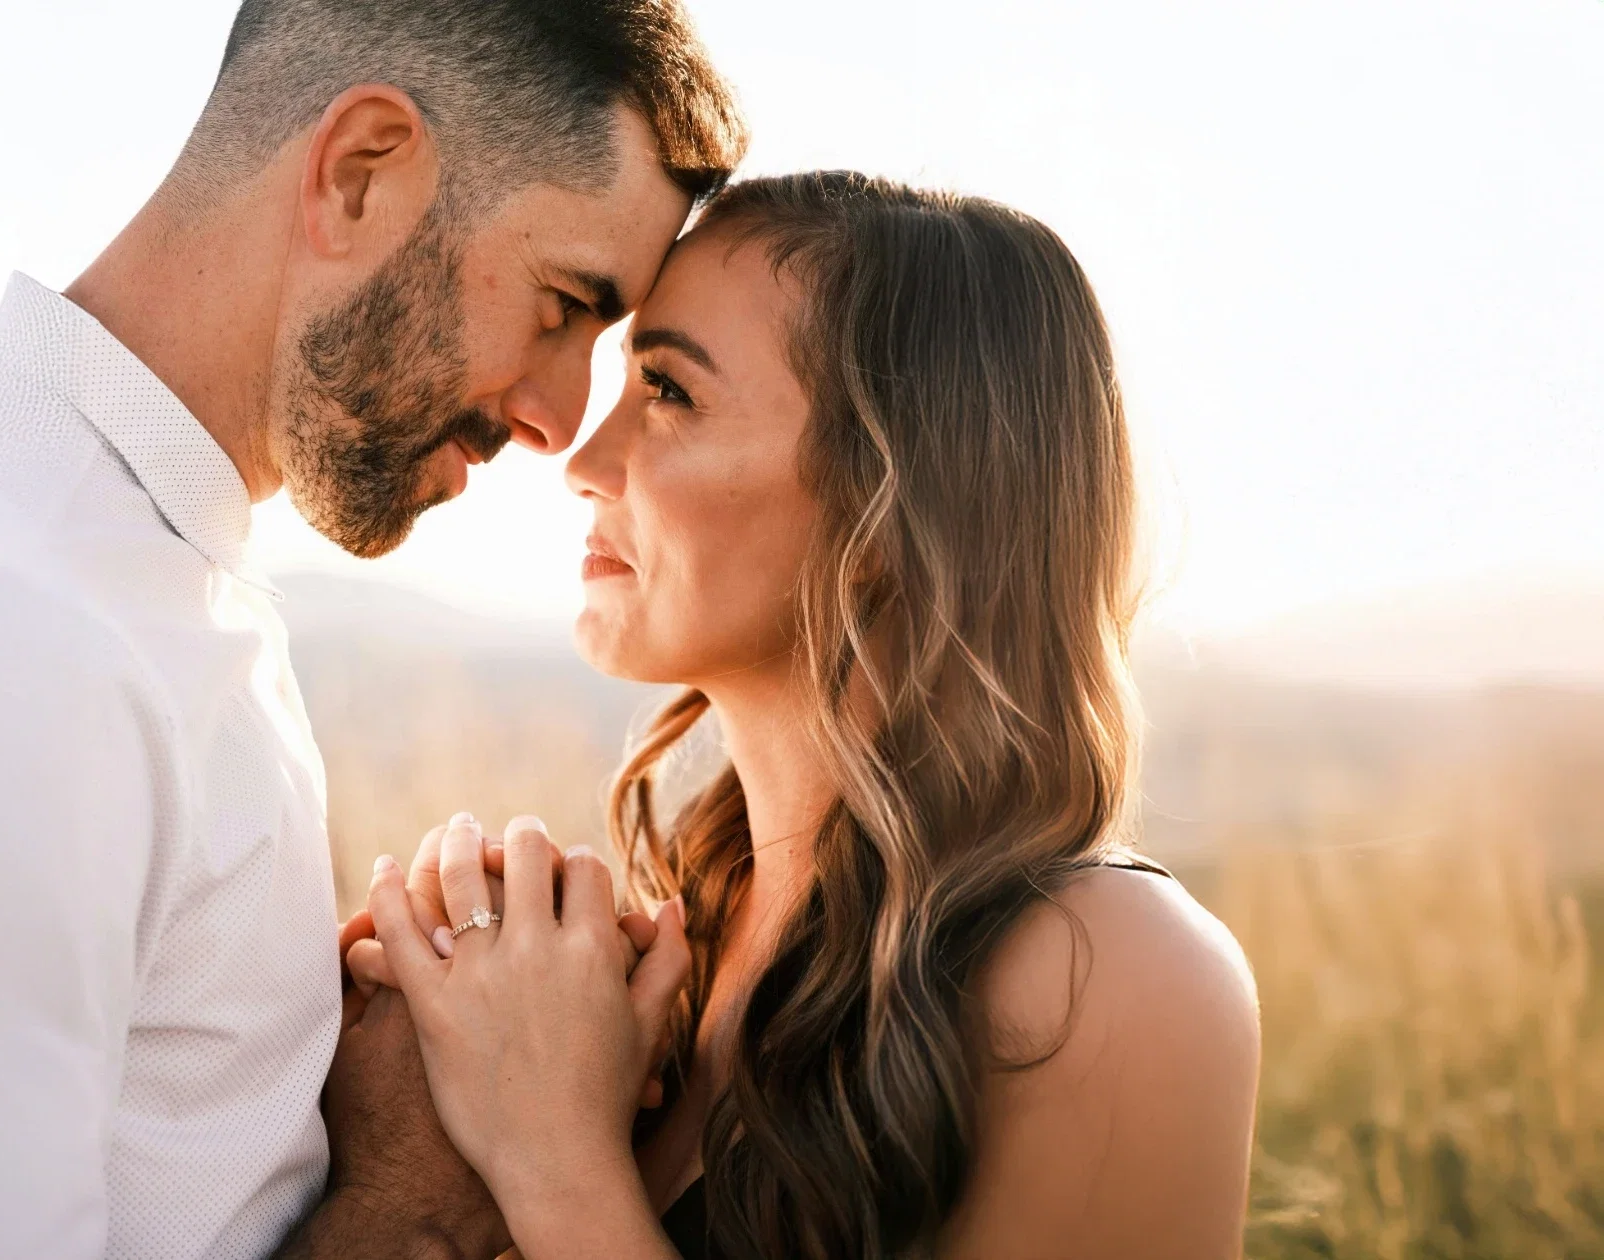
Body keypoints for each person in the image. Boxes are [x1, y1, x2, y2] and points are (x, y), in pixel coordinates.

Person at [0, 2, 743, 1257]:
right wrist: (413, 1198)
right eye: (560, 304)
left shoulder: (119, 579)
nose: (553, 420)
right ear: (361, 172)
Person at [350, 172, 1263, 1260]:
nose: (583, 465)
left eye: (670, 395)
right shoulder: (672, 955)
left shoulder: (1114, 977)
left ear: (891, 506)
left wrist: (546, 1150)